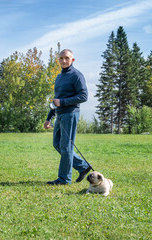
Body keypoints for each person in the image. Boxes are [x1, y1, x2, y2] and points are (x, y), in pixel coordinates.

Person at [44, 49, 91, 185]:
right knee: (57, 144)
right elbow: (56, 100)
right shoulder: (59, 77)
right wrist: (49, 118)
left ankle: (64, 179)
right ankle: (83, 166)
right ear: (58, 60)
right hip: (59, 114)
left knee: (66, 147)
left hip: (70, 114)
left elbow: (83, 96)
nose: (64, 61)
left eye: (67, 58)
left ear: (72, 60)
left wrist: (63, 102)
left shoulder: (77, 75)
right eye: (61, 58)